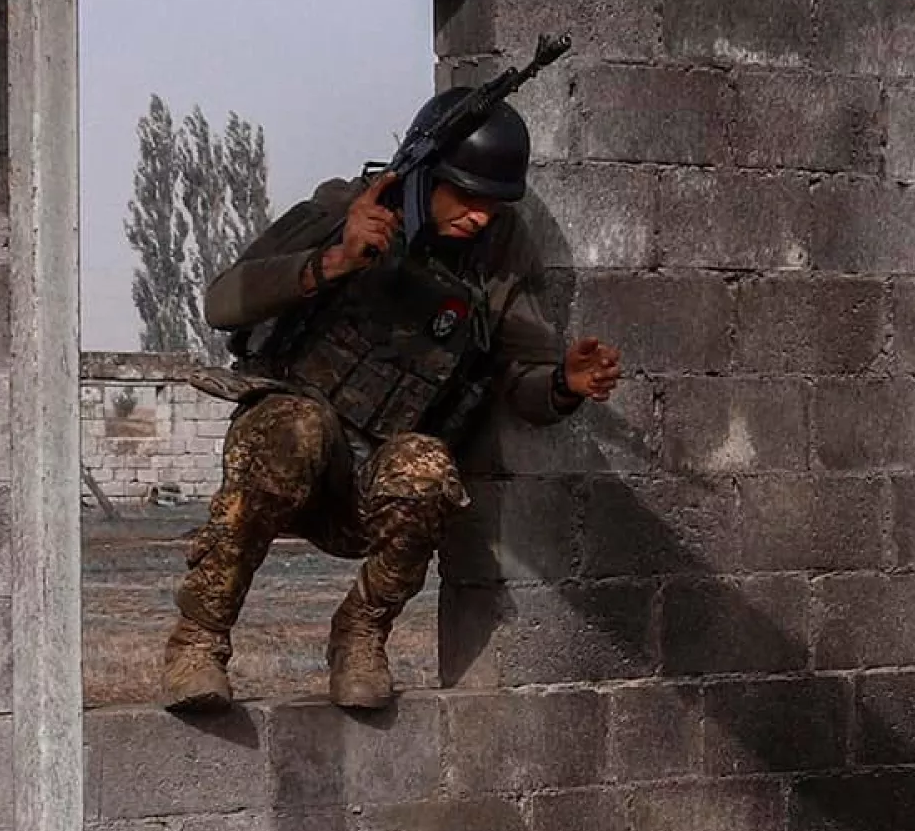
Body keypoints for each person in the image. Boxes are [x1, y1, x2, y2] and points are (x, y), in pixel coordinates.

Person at [161, 88, 622, 712]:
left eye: (493, 203)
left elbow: (522, 384)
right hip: (287, 456)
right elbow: (221, 304)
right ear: (425, 173)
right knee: (292, 427)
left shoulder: (497, 257)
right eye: (468, 196)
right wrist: (335, 260)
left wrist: (565, 383)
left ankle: (360, 634)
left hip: (371, 483)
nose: (480, 216)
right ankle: (199, 639)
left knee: (428, 468)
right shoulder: (344, 208)